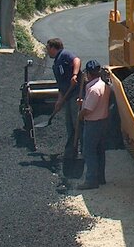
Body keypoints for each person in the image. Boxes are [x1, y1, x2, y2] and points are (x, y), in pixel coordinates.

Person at [69, 59, 110, 190]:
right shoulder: (104, 85)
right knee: (100, 151)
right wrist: (83, 102)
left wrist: (80, 114)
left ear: (88, 73)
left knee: (89, 152)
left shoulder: (93, 89)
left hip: (93, 124)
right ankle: (100, 178)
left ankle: (91, 181)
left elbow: (88, 110)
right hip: (103, 122)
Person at [46, 38, 81, 166]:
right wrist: (59, 101)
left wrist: (75, 75)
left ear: (54, 48)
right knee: (69, 124)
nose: (47, 51)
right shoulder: (56, 64)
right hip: (67, 96)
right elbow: (61, 86)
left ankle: (79, 152)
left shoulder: (65, 54)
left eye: (48, 48)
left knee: (76, 123)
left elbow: (76, 60)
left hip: (75, 94)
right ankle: (71, 151)